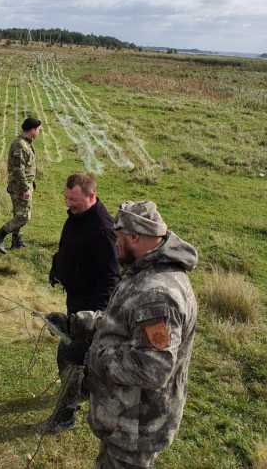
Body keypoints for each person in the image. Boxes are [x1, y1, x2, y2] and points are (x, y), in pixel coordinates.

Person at [64, 200, 198, 469]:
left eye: (118, 236)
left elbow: (153, 368)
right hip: (123, 418)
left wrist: (91, 357)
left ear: (135, 237)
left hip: (136, 428)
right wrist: (79, 323)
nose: (114, 242)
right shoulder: (143, 270)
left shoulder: (157, 295)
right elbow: (124, 321)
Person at [41, 172, 120, 434]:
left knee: (69, 356)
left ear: (91, 196)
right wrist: (57, 267)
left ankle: (66, 415)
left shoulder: (102, 229)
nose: (68, 203)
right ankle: (84, 390)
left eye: (73, 199)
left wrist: (93, 317)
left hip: (90, 305)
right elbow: (69, 248)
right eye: (66, 197)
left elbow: (111, 278)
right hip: (75, 297)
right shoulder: (78, 216)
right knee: (75, 353)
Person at [0, 117, 41, 254]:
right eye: (38, 130)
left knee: (20, 213)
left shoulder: (26, 142)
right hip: (20, 186)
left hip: (25, 184)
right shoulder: (21, 145)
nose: (39, 132)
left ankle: (16, 242)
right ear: (32, 130)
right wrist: (25, 188)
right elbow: (18, 170)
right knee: (23, 217)